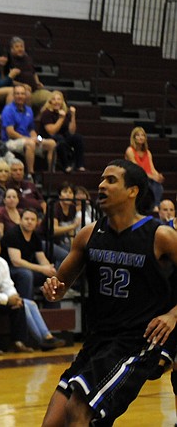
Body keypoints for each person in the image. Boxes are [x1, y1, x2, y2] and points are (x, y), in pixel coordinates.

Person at [41, 160, 177, 426]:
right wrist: (53, 290)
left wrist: (173, 314)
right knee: (53, 422)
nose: (101, 185)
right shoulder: (88, 234)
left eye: (111, 180)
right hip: (97, 341)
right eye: (102, 179)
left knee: (79, 409)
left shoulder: (161, 236)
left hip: (135, 343)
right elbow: (60, 285)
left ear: (132, 191)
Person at [0, 236, 62, 354]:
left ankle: (18, 343)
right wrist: (6, 299)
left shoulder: (2, 262)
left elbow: (7, 284)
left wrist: (14, 297)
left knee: (19, 305)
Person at [0, 84, 56, 178]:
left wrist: (38, 138)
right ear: (13, 96)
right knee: (31, 144)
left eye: (22, 94)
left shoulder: (29, 110)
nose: (20, 96)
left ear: (25, 96)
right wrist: (29, 139)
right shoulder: (8, 110)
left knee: (51, 143)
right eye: (17, 94)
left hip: (28, 139)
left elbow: (31, 130)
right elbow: (10, 133)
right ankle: (31, 174)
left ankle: (50, 174)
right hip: (11, 141)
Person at [4, 208, 57, 300]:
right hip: (9, 269)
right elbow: (16, 261)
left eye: (33, 220)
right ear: (20, 220)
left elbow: (41, 258)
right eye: (26, 219)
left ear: (37, 222)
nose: (29, 222)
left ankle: (53, 310)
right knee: (26, 274)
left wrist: (49, 269)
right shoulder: (13, 234)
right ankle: (26, 305)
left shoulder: (35, 236)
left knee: (50, 277)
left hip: (26, 267)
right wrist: (42, 269)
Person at [39, 90, 85, 173]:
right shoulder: (46, 113)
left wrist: (73, 115)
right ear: (50, 102)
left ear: (62, 101)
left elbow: (72, 131)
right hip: (49, 138)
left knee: (78, 138)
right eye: (54, 99)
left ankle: (79, 165)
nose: (56, 102)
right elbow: (51, 131)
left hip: (63, 136)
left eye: (59, 99)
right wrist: (61, 118)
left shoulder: (65, 112)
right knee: (60, 140)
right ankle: (66, 165)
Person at [125, 126, 164, 208]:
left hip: (149, 177)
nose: (140, 137)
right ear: (134, 137)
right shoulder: (130, 150)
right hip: (136, 177)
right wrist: (152, 177)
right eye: (138, 135)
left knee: (158, 186)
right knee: (148, 184)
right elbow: (137, 168)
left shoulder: (148, 152)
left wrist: (157, 176)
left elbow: (152, 168)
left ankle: (155, 206)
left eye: (142, 135)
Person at [8, 36, 51, 108]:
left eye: (22, 46)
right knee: (27, 94)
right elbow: (8, 80)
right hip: (20, 92)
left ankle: (39, 117)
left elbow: (34, 73)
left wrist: (38, 82)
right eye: (17, 47)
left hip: (35, 91)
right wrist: (22, 85)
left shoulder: (28, 58)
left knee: (54, 96)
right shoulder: (9, 60)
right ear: (12, 49)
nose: (20, 49)